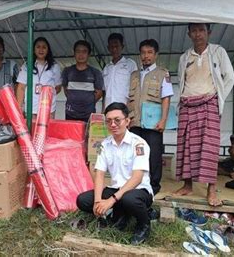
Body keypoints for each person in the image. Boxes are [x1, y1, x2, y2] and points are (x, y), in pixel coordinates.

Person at [174, 23, 234, 206]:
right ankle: (187, 185)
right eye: (194, 30)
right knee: (185, 146)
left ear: (208, 32)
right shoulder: (185, 57)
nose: (198, 34)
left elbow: (229, 77)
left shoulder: (218, 52)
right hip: (187, 103)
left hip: (209, 103)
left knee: (210, 147)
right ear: (188, 34)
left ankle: (211, 190)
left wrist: (218, 98)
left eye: (201, 30)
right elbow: (181, 80)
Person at [76, 102, 153, 245]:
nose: (113, 124)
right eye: (109, 121)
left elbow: (137, 178)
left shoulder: (138, 144)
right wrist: (98, 201)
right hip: (116, 190)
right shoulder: (104, 145)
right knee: (83, 200)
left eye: (117, 120)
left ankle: (144, 224)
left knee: (129, 199)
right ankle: (122, 214)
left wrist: (111, 201)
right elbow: (99, 174)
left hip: (138, 191)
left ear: (127, 121)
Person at [128, 39, 174, 195]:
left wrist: (163, 120)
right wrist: (128, 118)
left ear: (156, 54)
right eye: (143, 52)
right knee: (135, 154)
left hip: (153, 123)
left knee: (154, 155)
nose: (146, 56)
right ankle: (136, 183)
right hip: (135, 122)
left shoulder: (162, 73)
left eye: (149, 52)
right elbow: (130, 99)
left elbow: (166, 97)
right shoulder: (134, 75)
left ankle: (154, 187)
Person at [16, 37, 62, 119]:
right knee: (31, 131)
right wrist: (19, 108)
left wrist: (47, 94)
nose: (41, 50)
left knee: (47, 131)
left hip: (48, 109)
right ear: (33, 49)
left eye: (44, 47)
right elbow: (21, 87)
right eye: (38, 47)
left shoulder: (55, 66)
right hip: (31, 108)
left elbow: (58, 87)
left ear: (48, 50)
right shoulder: (27, 65)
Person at [62, 40, 104, 122]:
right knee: (70, 135)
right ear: (74, 53)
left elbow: (99, 93)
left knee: (87, 135)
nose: (81, 55)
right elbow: (66, 91)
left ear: (89, 54)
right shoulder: (67, 71)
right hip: (70, 114)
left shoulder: (95, 72)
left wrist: (87, 102)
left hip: (88, 115)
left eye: (84, 52)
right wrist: (75, 100)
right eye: (78, 51)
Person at [102, 33, 137, 110]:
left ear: (122, 47)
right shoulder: (106, 68)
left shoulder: (130, 64)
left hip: (124, 108)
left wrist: (129, 107)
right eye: (112, 47)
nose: (114, 49)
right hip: (108, 107)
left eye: (117, 46)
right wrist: (103, 110)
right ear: (108, 48)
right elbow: (104, 92)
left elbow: (135, 88)